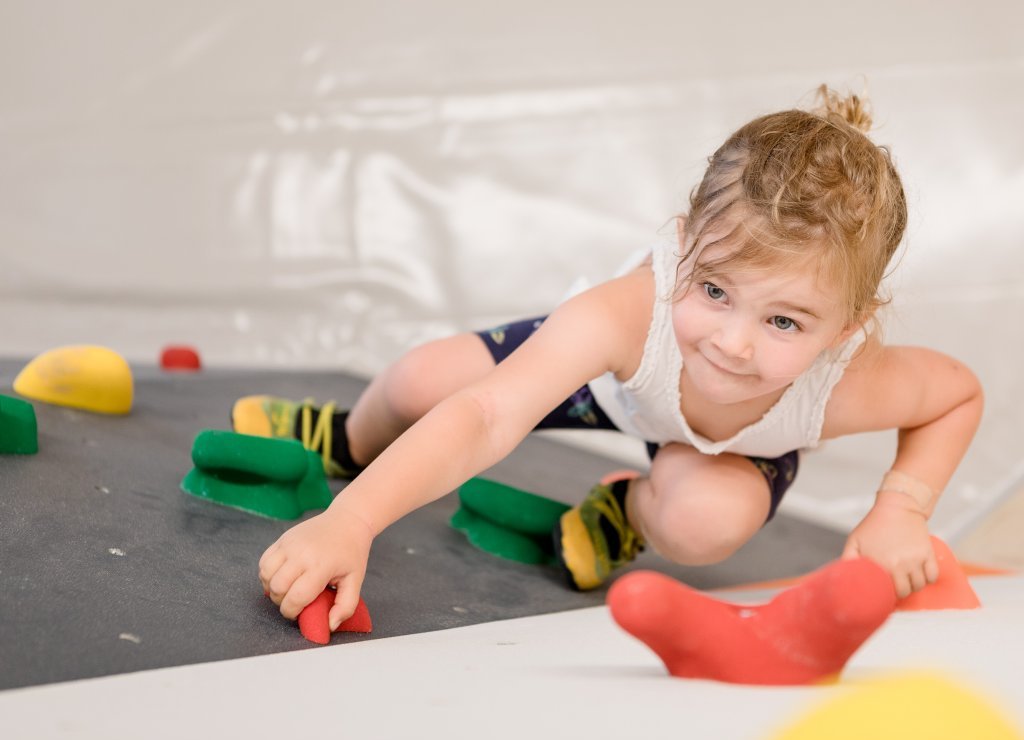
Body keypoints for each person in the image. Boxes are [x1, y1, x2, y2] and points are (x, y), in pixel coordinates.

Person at [235, 85, 983, 631]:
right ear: (683, 242)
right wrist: (353, 520)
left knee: (704, 524)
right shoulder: (630, 314)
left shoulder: (850, 382)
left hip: (729, 448)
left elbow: (956, 396)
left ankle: (628, 507)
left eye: (784, 320)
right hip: (617, 383)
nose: (733, 342)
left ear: (847, 330)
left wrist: (899, 511)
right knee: (419, 382)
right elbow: (489, 414)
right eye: (716, 289)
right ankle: (349, 442)